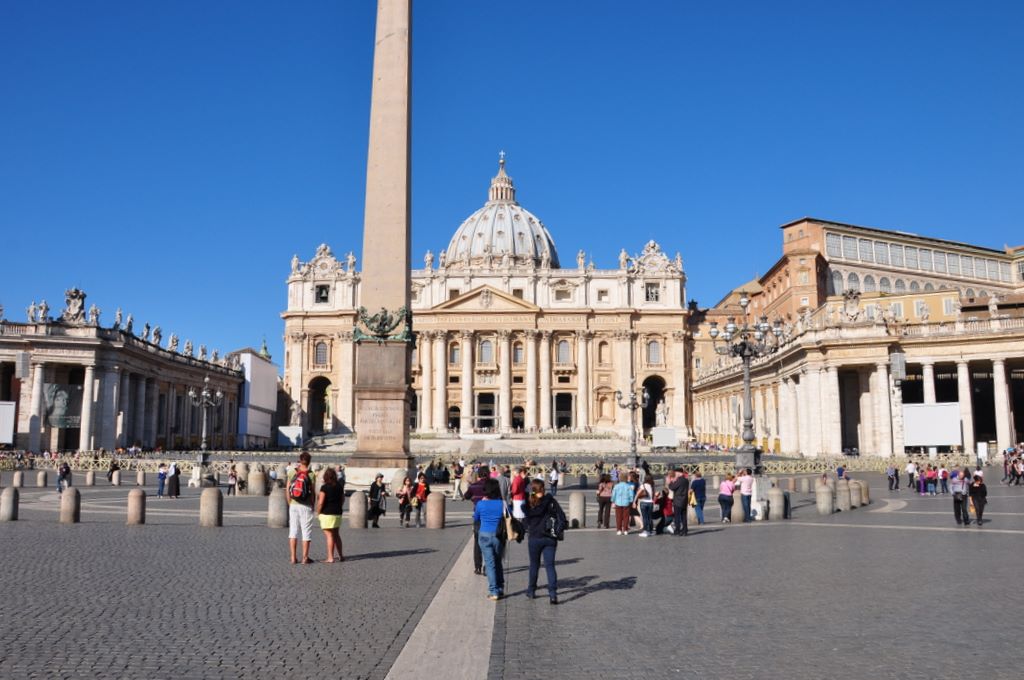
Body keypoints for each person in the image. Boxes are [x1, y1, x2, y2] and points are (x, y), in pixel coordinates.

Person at [522, 479, 561, 604]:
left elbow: (525, 522)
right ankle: (553, 594)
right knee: (550, 566)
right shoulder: (550, 501)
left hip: (534, 538)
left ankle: (531, 590)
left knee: (534, 565)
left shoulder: (528, 504)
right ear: (543, 489)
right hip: (550, 537)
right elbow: (561, 516)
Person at [472, 478, 506, 600]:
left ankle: (493, 591)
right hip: (498, 535)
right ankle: (500, 587)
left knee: (490, 564)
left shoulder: (480, 504)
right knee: (498, 562)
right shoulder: (502, 503)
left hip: (484, 535)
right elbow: (510, 515)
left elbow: (476, 518)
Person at [286, 452, 317, 564]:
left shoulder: (292, 472)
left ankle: (293, 558)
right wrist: (313, 504)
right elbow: (313, 492)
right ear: (309, 462)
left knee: (293, 531)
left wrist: (290, 502)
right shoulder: (311, 474)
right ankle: (305, 558)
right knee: (306, 531)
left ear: (299, 460)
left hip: (294, 504)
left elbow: (287, 489)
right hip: (306, 505)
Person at [465, 466, 491, 576]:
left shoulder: (474, 486)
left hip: (478, 516)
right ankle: (487, 566)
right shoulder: (492, 486)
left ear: (479, 475)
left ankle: (477, 567)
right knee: (489, 542)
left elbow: (466, 496)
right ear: (488, 474)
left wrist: (474, 498)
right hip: (490, 517)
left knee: (477, 542)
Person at [316, 466, 345, 562]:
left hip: (327, 514)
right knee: (336, 535)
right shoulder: (339, 486)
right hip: (337, 513)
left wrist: (318, 512)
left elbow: (320, 502)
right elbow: (343, 499)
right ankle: (341, 555)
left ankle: (330, 557)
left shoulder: (324, 487)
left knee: (329, 535)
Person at [634, 471, 656, 537]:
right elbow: (653, 495)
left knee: (644, 517)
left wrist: (634, 501)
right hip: (650, 503)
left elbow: (638, 494)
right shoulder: (652, 486)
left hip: (644, 502)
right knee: (649, 517)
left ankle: (646, 531)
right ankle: (650, 530)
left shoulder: (643, 485)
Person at [669, 468, 690, 536]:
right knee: (684, 516)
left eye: (675, 473)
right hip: (684, 500)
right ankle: (685, 530)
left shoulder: (680, 480)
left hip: (678, 501)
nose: (675, 474)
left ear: (678, 472)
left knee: (677, 517)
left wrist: (671, 482)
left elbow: (672, 487)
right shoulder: (686, 480)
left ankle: (677, 530)